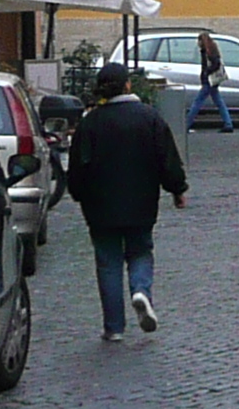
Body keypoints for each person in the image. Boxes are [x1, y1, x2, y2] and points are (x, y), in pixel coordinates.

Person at [65, 64, 188, 340]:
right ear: (127, 86)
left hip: (100, 206)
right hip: (141, 203)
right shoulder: (149, 118)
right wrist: (177, 189)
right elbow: (166, 159)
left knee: (108, 262)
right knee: (140, 251)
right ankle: (141, 290)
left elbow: (77, 167)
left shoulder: (90, 123)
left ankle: (114, 328)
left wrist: (78, 193)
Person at [189, 29, 234, 134]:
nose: (197, 44)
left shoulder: (207, 52)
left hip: (209, 81)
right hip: (213, 81)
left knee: (197, 102)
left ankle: (187, 123)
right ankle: (228, 124)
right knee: (219, 102)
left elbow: (215, 64)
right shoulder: (211, 49)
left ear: (202, 41)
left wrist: (206, 73)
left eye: (198, 41)